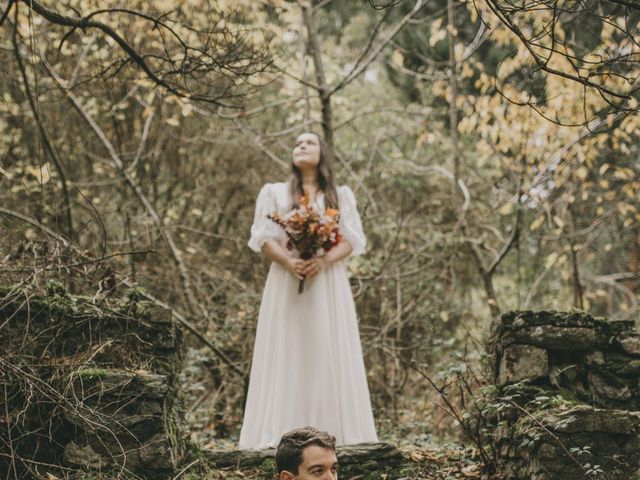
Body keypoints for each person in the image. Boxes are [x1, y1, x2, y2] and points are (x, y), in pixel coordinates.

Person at [239, 132, 378, 449]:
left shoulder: (340, 195)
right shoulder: (274, 192)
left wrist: (323, 260)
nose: (301, 146)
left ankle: (332, 429)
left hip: (326, 282)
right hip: (286, 280)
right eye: (297, 143)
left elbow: (352, 239)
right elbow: (263, 237)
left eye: (309, 143)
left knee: (326, 345)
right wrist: (289, 261)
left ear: (322, 154)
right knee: (288, 343)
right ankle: (283, 430)